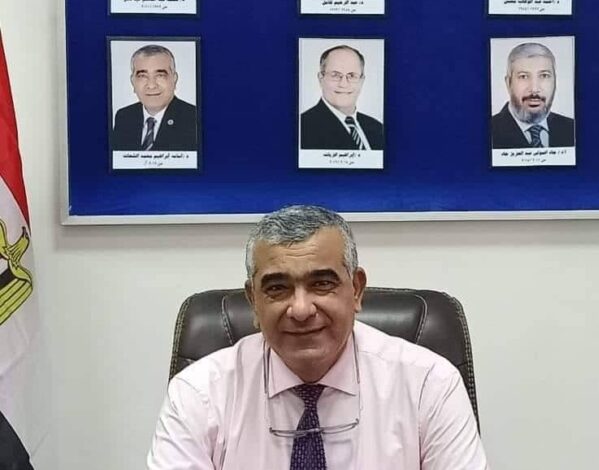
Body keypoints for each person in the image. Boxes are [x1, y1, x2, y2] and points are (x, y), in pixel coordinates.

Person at [147, 205, 488, 469]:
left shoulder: (429, 384)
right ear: (253, 301)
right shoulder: (199, 394)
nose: (300, 309)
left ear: (356, 290)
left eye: (322, 284)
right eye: (277, 288)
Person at [112, 44, 198, 151]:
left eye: (160, 75)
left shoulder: (193, 118)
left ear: (174, 79)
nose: (151, 85)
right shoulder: (124, 117)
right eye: (142, 76)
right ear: (133, 82)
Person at [491, 42, 575, 149]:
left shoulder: (572, 128)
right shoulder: (489, 131)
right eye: (523, 76)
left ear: (555, 81)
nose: (534, 89)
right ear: (508, 83)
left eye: (544, 75)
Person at [300, 45, 385, 150]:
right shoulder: (303, 127)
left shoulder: (377, 128)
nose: (343, 84)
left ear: (362, 81)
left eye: (352, 75)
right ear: (321, 78)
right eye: (335, 75)